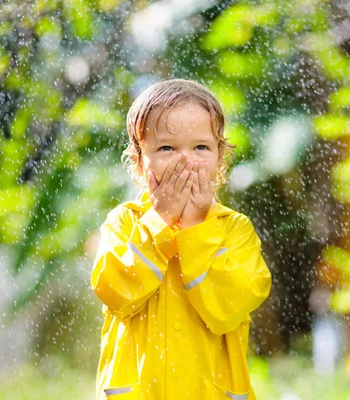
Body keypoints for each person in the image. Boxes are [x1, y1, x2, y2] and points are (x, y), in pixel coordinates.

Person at [90, 78, 272, 400]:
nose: (185, 161)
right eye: (167, 148)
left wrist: (195, 230)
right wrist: (159, 220)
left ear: (221, 159)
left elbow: (230, 307)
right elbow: (115, 291)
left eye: (201, 147)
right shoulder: (124, 223)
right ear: (138, 162)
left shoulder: (235, 229)